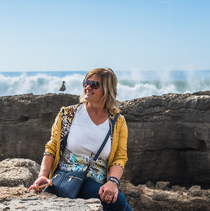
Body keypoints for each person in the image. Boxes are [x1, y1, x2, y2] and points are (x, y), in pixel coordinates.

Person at [28, 68, 132, 211]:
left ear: (107, 89)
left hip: (97, 182)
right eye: (86, 82)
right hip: (68, 178)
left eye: (94, 84)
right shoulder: (68, 114)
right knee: (119, 201)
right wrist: (42, 176)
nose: (87, 87)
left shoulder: (117, 121)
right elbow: (51, 147)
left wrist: (113, 182)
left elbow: (120, 157)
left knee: (115, 199)